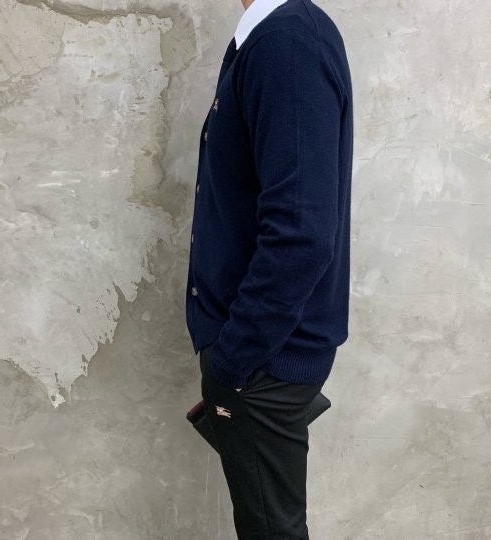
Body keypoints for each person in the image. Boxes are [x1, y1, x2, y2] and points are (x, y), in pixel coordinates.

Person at [185, 0, 353, 537]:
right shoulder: (270, 38)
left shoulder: (288, 44)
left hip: (264, 361)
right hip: (262, 355)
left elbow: (302, 232)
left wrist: (234, 360)